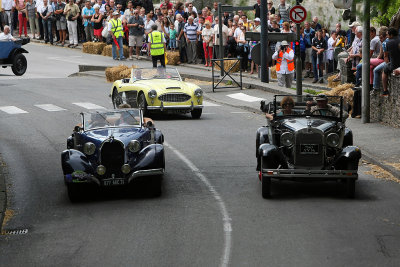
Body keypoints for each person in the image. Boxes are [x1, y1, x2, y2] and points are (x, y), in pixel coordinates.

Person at [382, 27, 400, 96]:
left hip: (394, 65)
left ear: (391, 35)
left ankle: (385, 90)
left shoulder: (387, 43)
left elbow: (385, 56)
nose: (386, 36)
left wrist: (388, 64)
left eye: (387, 35)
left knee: (384, 70)